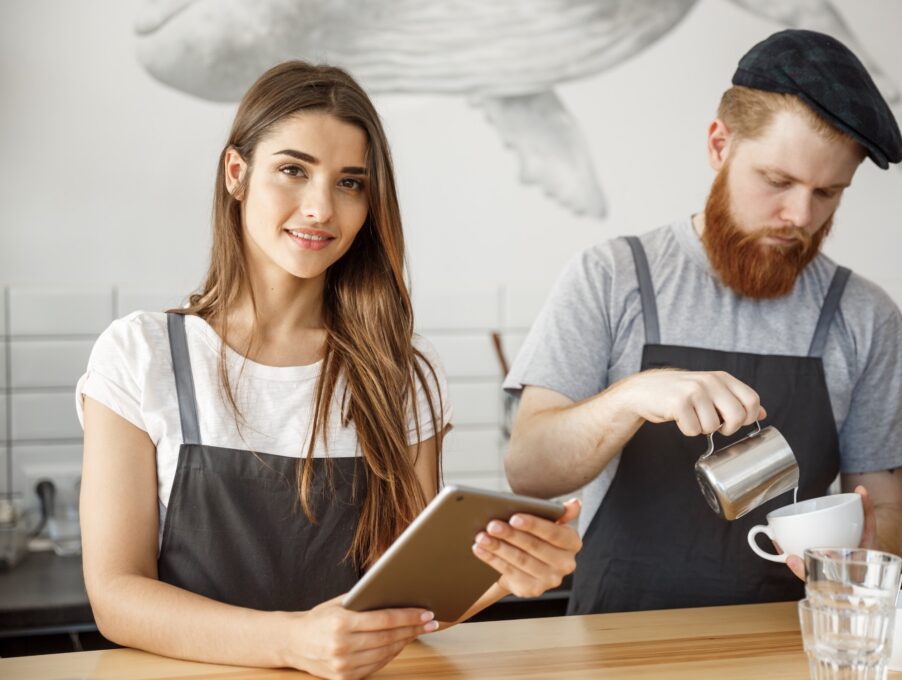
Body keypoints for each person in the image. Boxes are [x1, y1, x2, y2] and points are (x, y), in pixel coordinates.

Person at [77, 61, 581, 679]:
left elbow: (411, 600)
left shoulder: (403, 373)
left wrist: (507, 571)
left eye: (349, 183)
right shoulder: (140, 355)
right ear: (236, 174)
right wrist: (292, 642)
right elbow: (116, 596)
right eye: (293, 170)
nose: (320, 208)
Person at [503, 29, 902, 615]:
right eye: (777, 182)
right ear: (720, 145)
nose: (799, 217)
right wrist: (633, 395)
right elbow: (529, 469)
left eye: (828, 193)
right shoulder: (612, 277)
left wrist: (865, 548)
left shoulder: (864, 317)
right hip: (612, 644)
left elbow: (888, 512)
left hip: (788, 648)